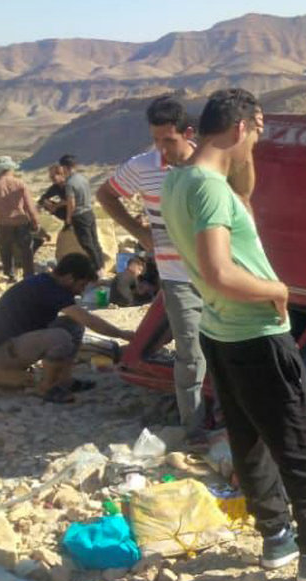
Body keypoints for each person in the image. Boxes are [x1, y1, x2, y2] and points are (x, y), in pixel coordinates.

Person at [162, 88, 306, 581]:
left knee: (249, 437)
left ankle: (276, 537)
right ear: (240, 127)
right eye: (256, 133)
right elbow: (218, 271)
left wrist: (243, 157)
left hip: (220, 331)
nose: (257, 143)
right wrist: (277, 288)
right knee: (305, 442)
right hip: (256, 330)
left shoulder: (179, 181)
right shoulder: (210, 189)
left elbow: (244, 198)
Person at [97, 95, 213, 443]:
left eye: (169, 140)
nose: (161, 149)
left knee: (225, 349)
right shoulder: (143, 166)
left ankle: (230, 421)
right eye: (156, 140)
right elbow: (106, 195)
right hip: (177, 277)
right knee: (190, 353)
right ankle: (194, 429)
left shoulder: (210, 164)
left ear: (187, 133)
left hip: (219, 276)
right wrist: (140, 234)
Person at [0, 253, 135, 403]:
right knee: (60, 337)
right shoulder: (50, 289)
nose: (81, 291)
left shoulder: (47, 283)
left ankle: (64, 381)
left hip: (13, 345)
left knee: (73, 325)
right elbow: (89, 320)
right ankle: (46, 387)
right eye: (81, 285)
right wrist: (122, 334)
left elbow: (79, 320)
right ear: (69, 278)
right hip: (2, 352)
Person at [0, 156, 40, 282]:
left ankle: (9, 275)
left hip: (3, 223)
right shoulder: (20, 184)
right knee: (26, 251)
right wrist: (35, 221)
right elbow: (29, 205)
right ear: (10, 168)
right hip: (21, 222)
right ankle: (29, 276)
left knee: (5, 250)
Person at [58, 154, 103, 274]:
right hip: (89, 212)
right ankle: (101, 265)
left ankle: (98, 270)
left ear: (64, 167)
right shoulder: (83, 178)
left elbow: (71, 203)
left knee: (87, 244)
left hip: (79, 216)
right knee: (95, 241)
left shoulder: (70, 183)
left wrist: (68, 219)